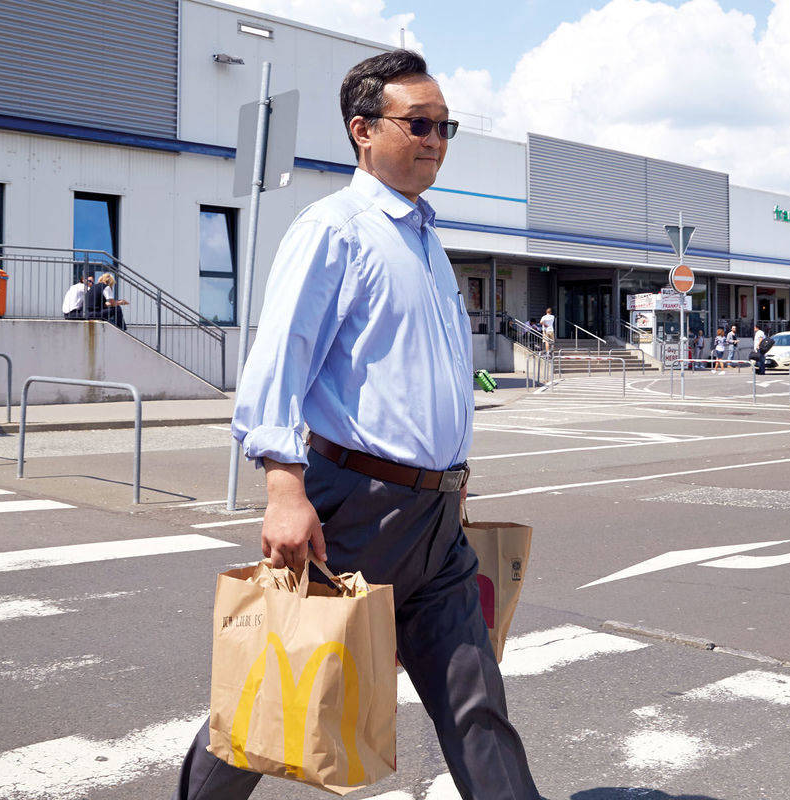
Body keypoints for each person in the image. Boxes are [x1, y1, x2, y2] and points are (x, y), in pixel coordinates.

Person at [170, 51, 540, 800]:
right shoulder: (335, 229)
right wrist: (282, 487)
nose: (436, 139)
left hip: (435, 517)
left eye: (446, 126)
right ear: (363, 130)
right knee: (279, 688)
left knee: (477, 704)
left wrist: (450, 482)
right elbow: (280, 358)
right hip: (361, 506)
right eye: (420, 123)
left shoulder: (428, 241)